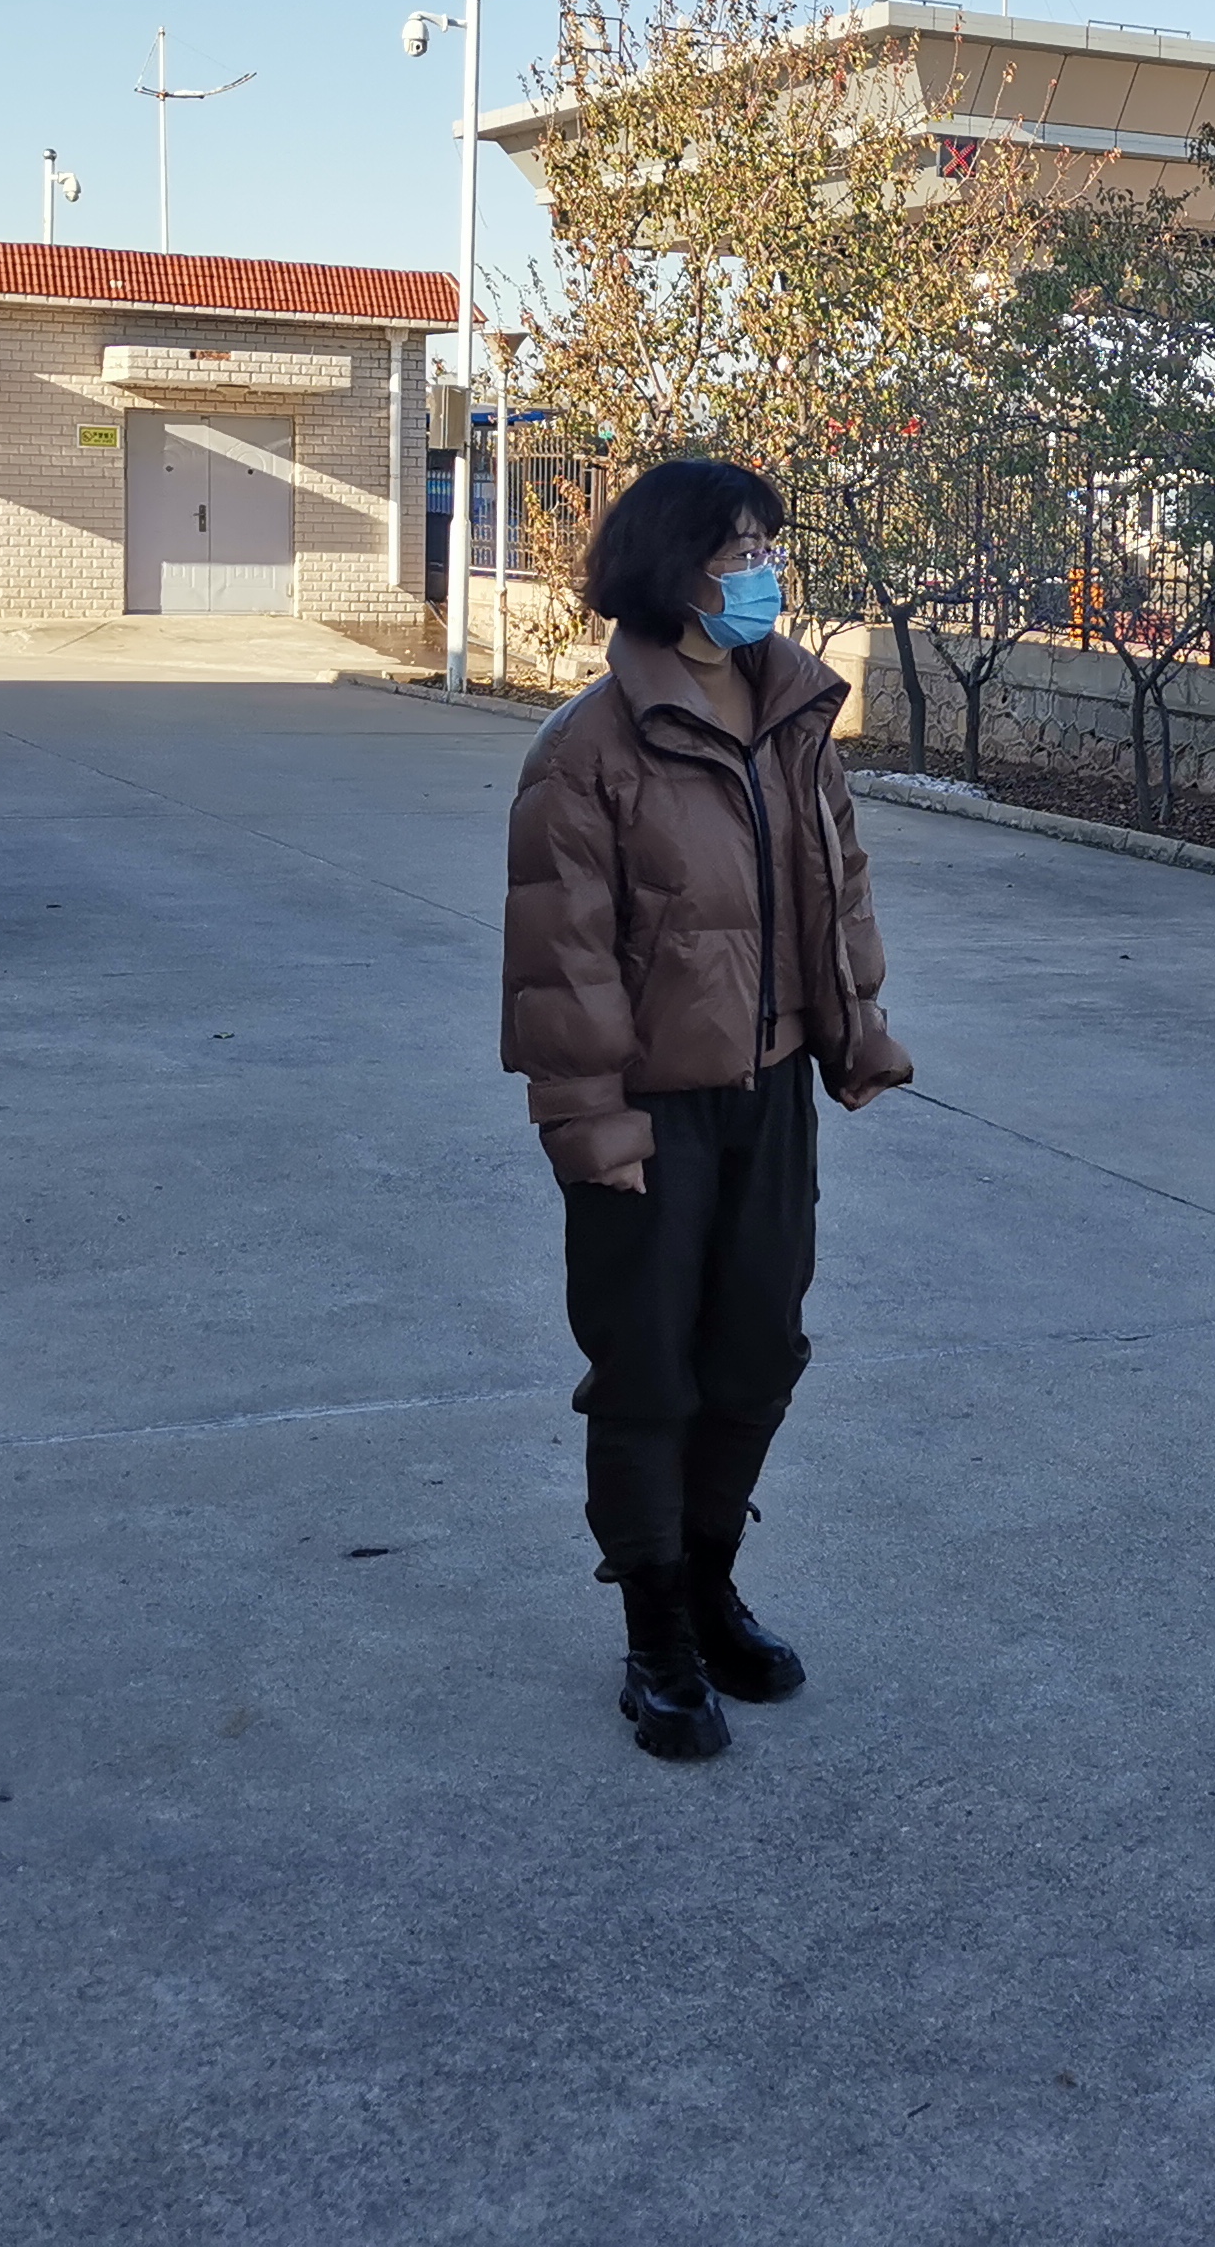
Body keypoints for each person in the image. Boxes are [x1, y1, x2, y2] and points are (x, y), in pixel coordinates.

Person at [500, 458, 914, 1763]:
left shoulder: (792, 713)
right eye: (739, 551)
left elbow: (838, 886)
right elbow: (561, 963)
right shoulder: (588, 750)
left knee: (756, 1353)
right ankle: (656, 1636)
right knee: (647, 1372)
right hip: (647, 1113)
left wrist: (852, 1027)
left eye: (768, 548)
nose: (763, 573)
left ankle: (712, 1580)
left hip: (770, 1092)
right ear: (671, 567)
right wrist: (592, 1126)